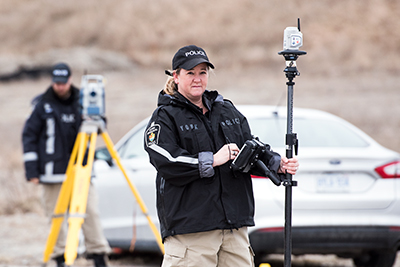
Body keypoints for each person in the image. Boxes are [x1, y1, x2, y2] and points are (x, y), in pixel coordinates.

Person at [144, 45, 299, 267]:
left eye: (202, 72)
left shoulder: (225, 109)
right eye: (190, 73)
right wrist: (213, 159)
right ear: (176, 76)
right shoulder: (165, 116)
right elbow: (165, 159)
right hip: (192, 232)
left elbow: (250, 147)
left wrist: (276, 163)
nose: (197, 79)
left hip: (234, 228)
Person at [22, 62, 111, 267]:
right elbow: (29, 136)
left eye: (63, 83)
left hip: (82, 171)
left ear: (70, 80)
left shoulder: (84, 100)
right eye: (56, 83)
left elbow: (100, 126)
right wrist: (32, 171)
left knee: (91, 214)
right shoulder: (42, 104)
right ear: (53, 81)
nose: (60, 87)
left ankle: (98, 255)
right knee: (57, 218)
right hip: (52, 173)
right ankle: (60, 258)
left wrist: (97, 122)